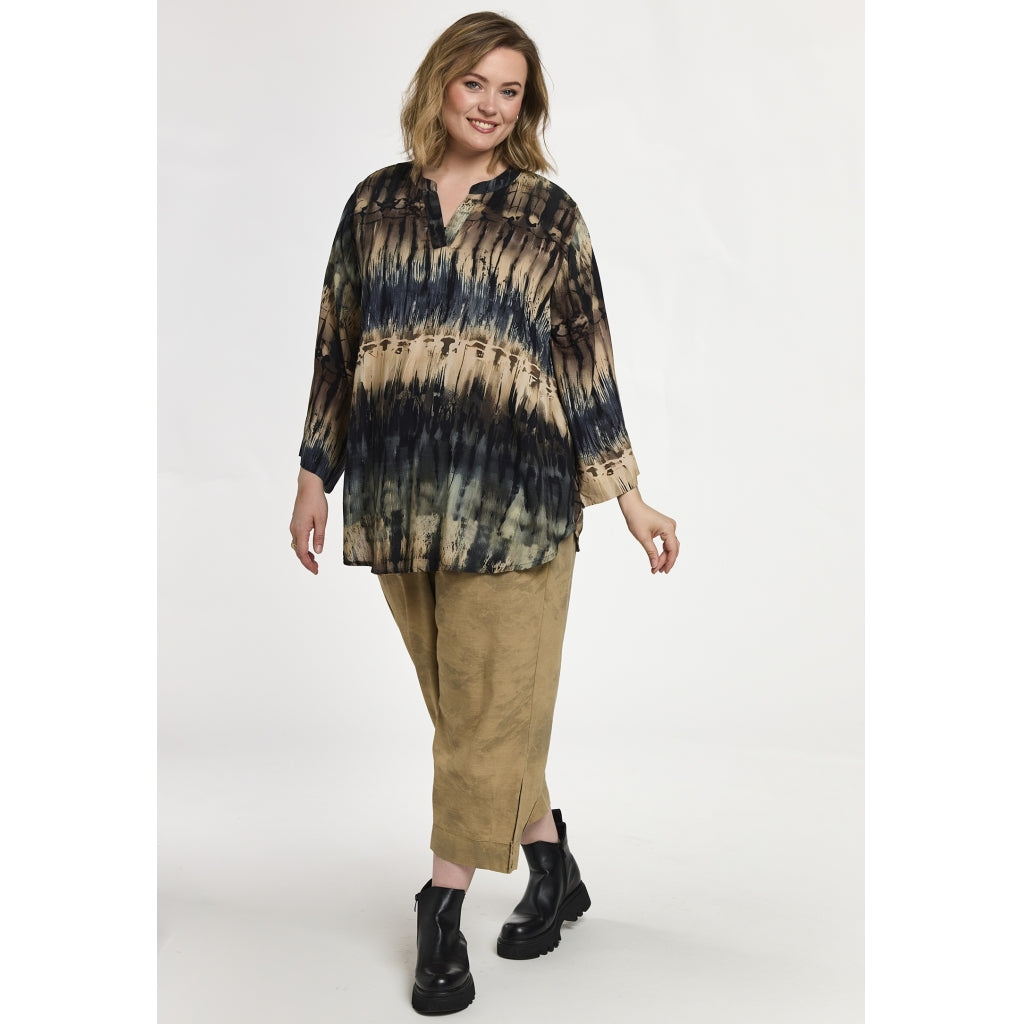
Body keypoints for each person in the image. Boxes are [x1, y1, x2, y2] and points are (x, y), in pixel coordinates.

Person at [289, 11, 678, 1015]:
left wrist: (629, 497)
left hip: (518, 507)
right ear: (439, 85)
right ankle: (553, 864)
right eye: (475, 84)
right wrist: (314, 474)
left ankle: (441, 909)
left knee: (479, 718)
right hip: (399, 504)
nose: (490, 105)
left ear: (525, 105)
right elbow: (337, 344)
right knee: (475, 716)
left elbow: (585, 361)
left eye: (510, 91)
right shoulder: (375, 204)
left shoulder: (547, 216)